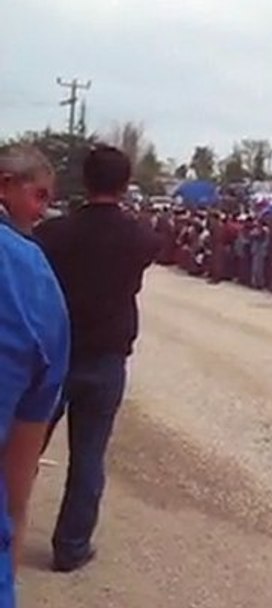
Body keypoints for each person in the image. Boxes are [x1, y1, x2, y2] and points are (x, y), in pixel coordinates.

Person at [34, 145, 157, 573]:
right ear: (125, 185)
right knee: (88, 458)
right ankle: (71, 546)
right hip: (105, 358)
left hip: (54, 353)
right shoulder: (140, 236)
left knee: (22, 449)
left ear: (85, 181)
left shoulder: (54, 234)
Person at [0, 145, 70, 603]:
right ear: (5, 184)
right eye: (38, 195)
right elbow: (15, 488)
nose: (42, 210)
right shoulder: (34, 282)